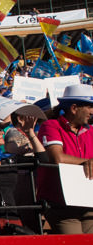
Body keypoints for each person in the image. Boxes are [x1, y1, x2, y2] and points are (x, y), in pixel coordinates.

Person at [37, 83, 93, 234]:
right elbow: (58, 158)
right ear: (74, 108)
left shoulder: (91, 131)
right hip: (61, 203)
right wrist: (86, 163)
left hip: (89, 202)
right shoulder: (51, 126)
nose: (92, 111)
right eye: (89, 106)